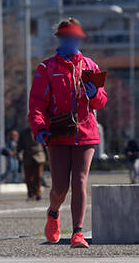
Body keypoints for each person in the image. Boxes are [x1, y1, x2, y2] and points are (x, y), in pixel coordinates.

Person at [28, 17, 108, 248]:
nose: (71, 41)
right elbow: (36, 104)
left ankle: (77, 233)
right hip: (59, 132)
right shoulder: (47, 68)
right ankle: (53, 212)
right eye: (67, 37)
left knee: (80, 182)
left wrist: (94, 94)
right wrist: (40, 128)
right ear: (59, 39)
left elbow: (101, 102)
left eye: (75, 37)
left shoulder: (90, 66)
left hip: (86, 132)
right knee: (60, 187)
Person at [18, 127, 47, 201]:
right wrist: (19, 154)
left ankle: (38, 193)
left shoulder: (41, 130)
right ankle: (30, 194)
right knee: (28, 177)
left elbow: (46, 144)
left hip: (39, 155)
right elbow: (20, 145)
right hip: (27, 156)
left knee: (38, 176)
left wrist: (48, 156)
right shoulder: (23, 132)